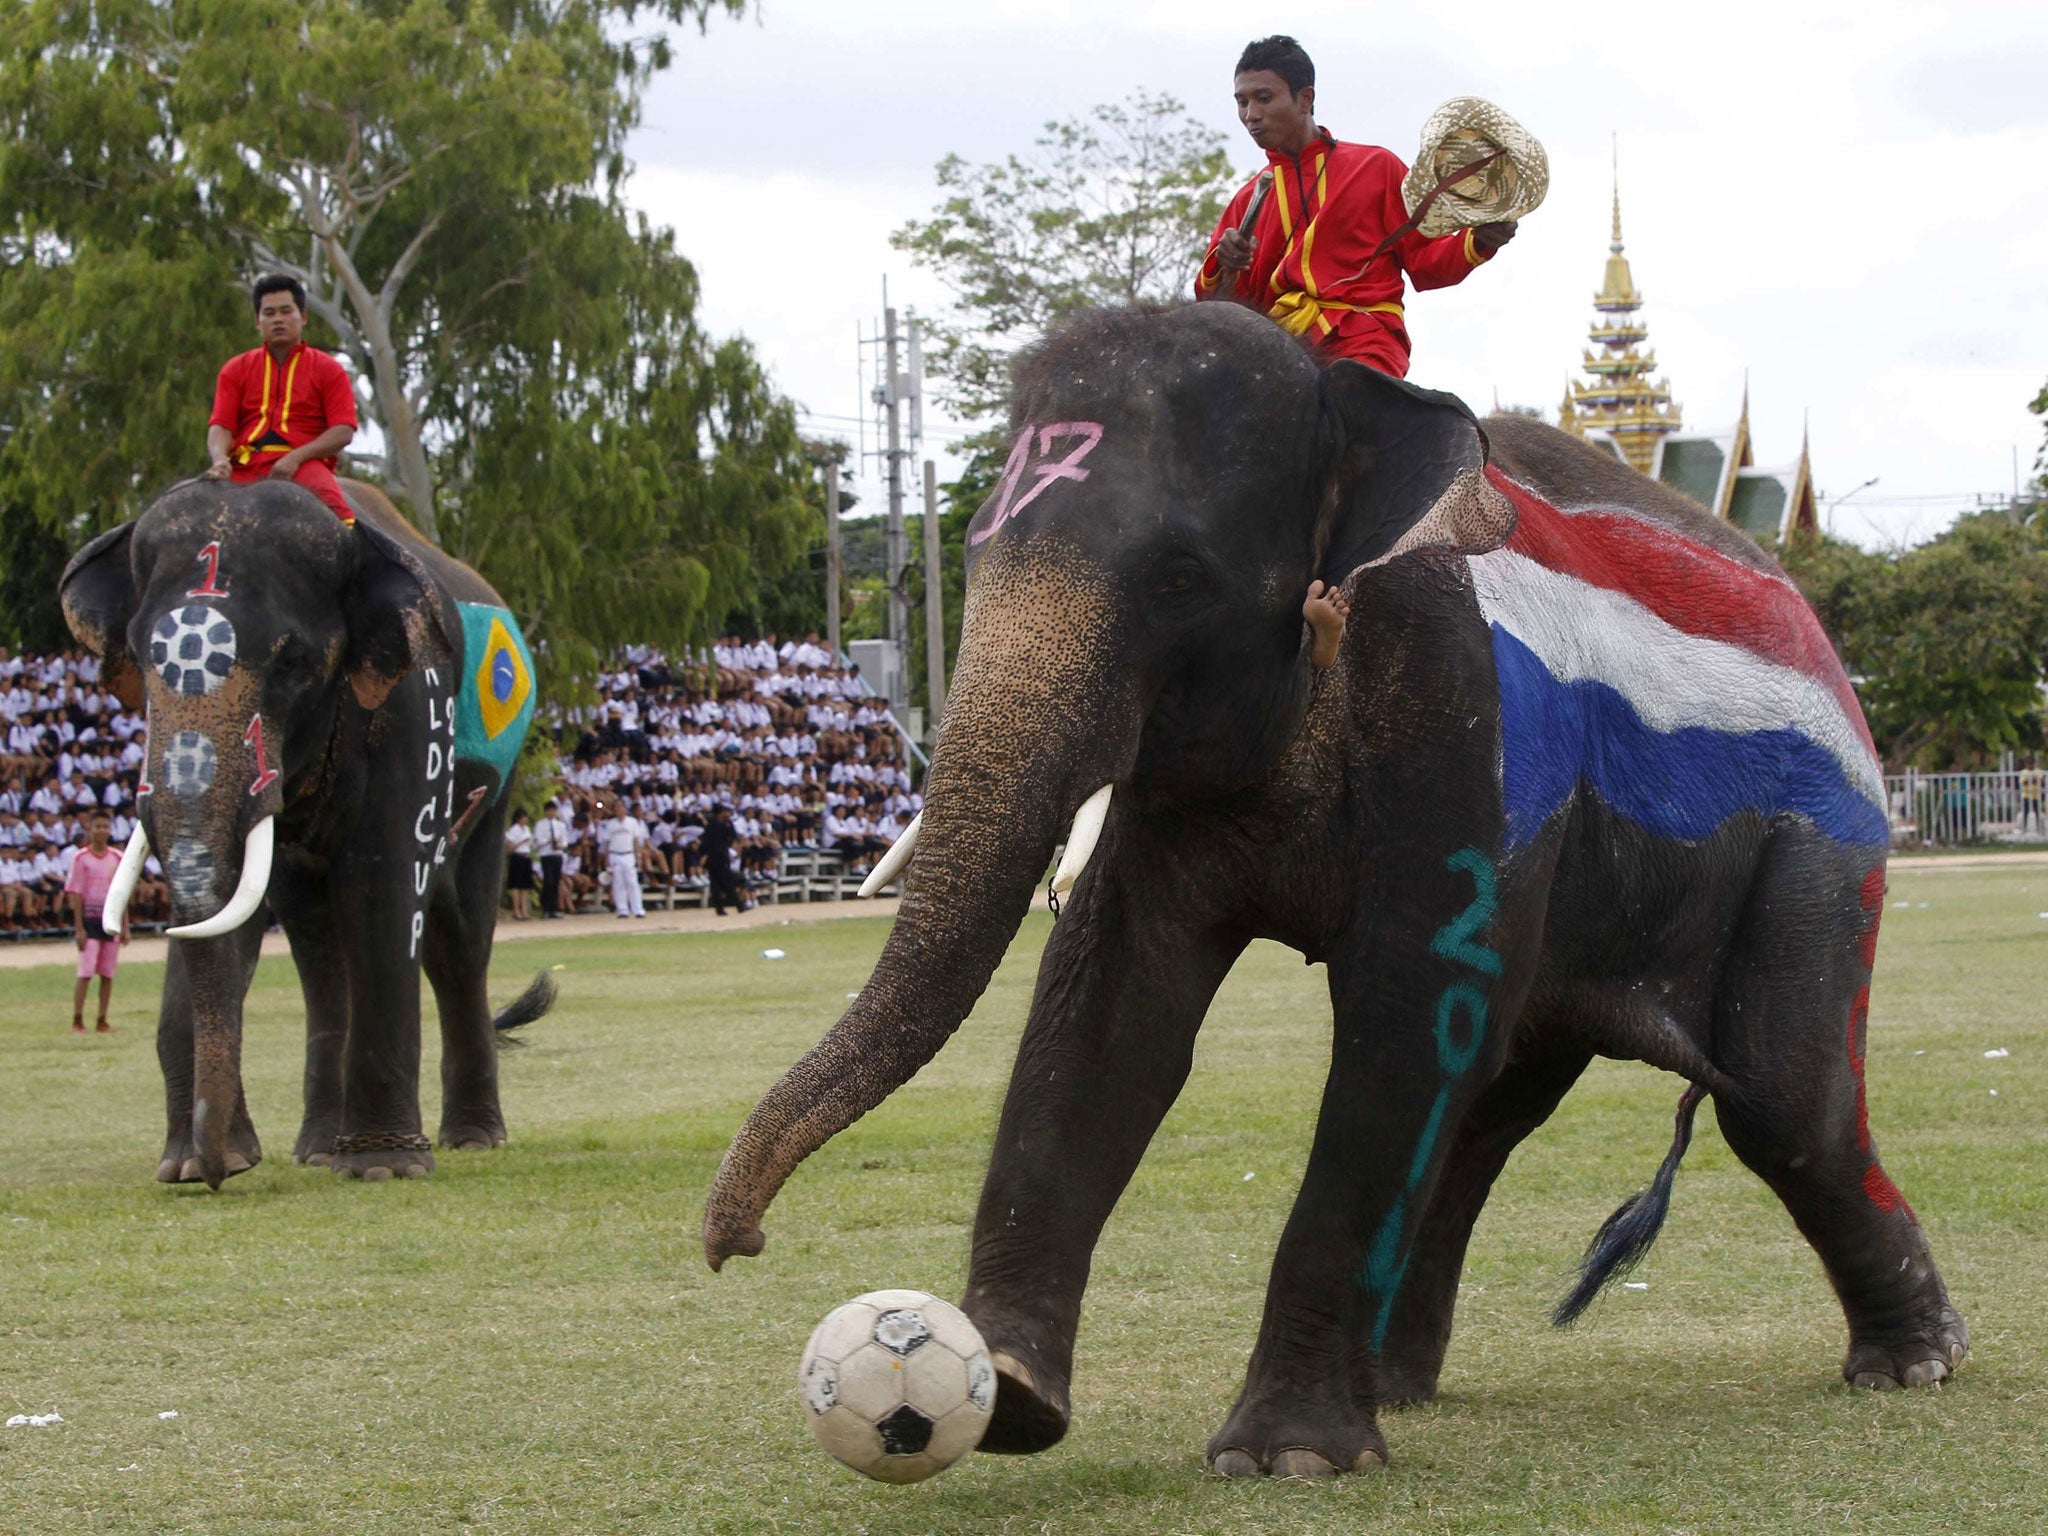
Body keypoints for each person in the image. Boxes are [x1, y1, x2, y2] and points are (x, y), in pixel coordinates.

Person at [1194, 35, 1515, 379]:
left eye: (1263, 98)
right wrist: (1223, 264)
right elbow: (1221, 307)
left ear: (1305, 98)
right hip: (1279, 351)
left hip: (1364, 341)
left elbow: (1428, 258)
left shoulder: (1376, 167)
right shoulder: (1247, 200)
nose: (1250, 115)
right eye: (1241, 102)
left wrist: (1480, 239)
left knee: (1357, 409)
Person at [204, 274, 360, 524]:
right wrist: (220, 459)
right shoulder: (235, 369)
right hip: (243, 467)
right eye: (269, 313)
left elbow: (343, 430)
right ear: (258, 321)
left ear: (303, 317)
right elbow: (221, 425)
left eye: (286, 311)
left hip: (304, 467)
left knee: (340, 521)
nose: (278, 319)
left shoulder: (329, 369)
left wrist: (295, 458)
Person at [63, 810, 126, 1033]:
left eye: (105, 827)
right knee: (86, 971)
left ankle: (102, 1018)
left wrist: (125, 926)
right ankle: (78, 1019)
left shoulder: (117, 858)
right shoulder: (81, 858)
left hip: (110, 920)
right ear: (89, 829)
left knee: (107, 972)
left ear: (110, 830)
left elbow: (122, 893)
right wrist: (79, 928)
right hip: (89, 920)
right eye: (97, 826)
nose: (101, 831)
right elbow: (76, 894)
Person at [601, 799, 648, 919]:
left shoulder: (632, 822)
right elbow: (606, 842)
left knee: (632, 882)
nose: (618, 810)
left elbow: (636, 841)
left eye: (620, 807)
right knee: (618, 884)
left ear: (625, 809)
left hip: (628, 854)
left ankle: (638, 909)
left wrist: (639, 857)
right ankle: (622, 910)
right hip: (614, 855)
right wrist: (606, 859)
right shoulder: (610, 824)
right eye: (616, 808)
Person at [700, 804, 747, 916]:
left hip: (712, 857)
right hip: (720, 856)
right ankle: (738, 904)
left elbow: (704, 843)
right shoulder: (722, 825)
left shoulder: (710, 825)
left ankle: (719, 908)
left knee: (715, 884)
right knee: (726, 882)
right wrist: (729, 823)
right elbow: (732, 835)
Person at [533, 799, 569, 918]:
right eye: (549, 811)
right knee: (547, 881)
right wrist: (548, 840)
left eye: (553, 811)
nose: (551, 813)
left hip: (557, 854)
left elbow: (565, 841)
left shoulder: (560, 825)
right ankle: (545, 907)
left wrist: (560, 845)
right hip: (546, 854)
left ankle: (553, 908)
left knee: (555, 881)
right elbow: (537, 841)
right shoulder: (540, 824)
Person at [504, 809, 535, 921]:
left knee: (525, 886)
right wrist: (521, 842)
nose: (525, 819)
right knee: (516, 885)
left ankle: (524, 910)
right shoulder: (513, 830)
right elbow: (510, 847)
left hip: (526, 856)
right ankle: (516, 910)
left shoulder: (526, 829)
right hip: (517, 857)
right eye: (523, 817)